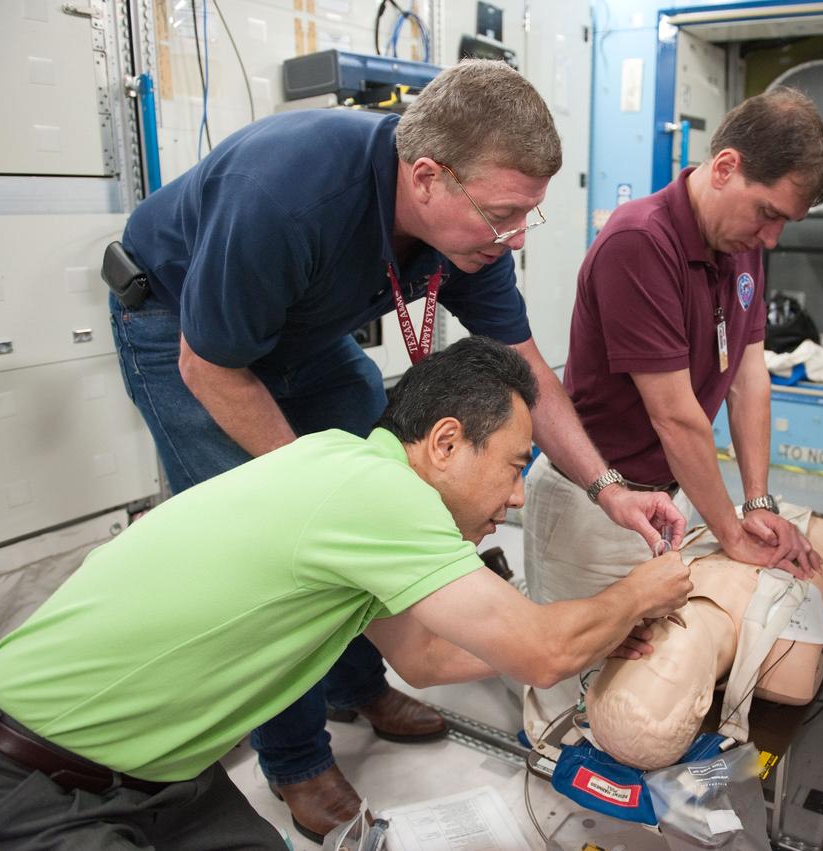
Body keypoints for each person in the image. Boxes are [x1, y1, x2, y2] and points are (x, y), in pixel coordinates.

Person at [108, 59, 685, 838]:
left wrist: (606, 486)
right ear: (425, 179)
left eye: (527, 216)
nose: (515, 237)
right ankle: (296, 758)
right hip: (183, 334)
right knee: (285, 542)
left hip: (304, 339)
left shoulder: (468, 236)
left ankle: (355, 681)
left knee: (379, 484)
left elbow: (528, 370)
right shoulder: (290, 193)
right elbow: (208, 363)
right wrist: (320, 489)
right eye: (504, 214)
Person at [0, 337, 694, 850]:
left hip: (150, 771)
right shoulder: (380, 495)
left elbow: (425, 656)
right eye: (515, 464)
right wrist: (640, 588)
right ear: (447, 441)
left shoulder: (346, 467)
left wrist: (600, 634)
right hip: (15, 775)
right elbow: (538, 649)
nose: (518, 496)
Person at [521, 86, 823, 739]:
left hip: (666, 500)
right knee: (567, 699)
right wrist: (733, 529)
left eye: (786, 223)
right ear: (724, 168)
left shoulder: (741, 243)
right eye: (767, 212)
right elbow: (677, 416)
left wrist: (758, 501)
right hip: (595, 504)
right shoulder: (641, 242)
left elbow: (750, 377)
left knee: (637, 678)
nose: (771, 237)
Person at [585, 512, 823, 770]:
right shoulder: (790, 661)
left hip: (749, 515)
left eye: (633, 655)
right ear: (703, 698)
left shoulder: (648, 591)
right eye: (664, 663)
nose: (656, 639)